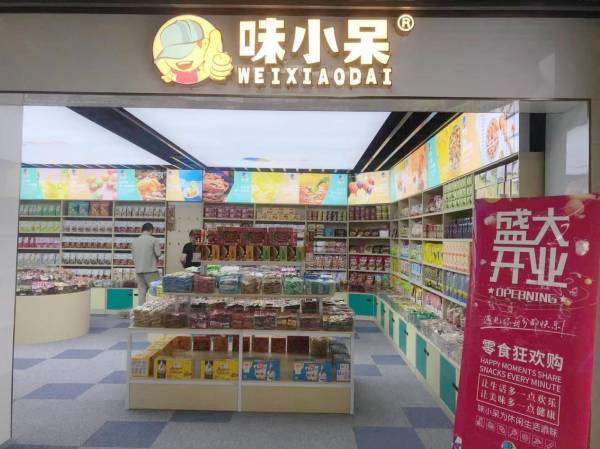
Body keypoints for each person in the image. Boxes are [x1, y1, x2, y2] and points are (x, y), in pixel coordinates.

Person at [131, 222, 161, 305]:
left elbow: (133, 256)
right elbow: (158, 254)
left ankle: (141, 311)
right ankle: (154, 310)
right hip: (151, 271)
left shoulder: (134, 241)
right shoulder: (153, 240)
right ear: (151, 230)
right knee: (155, 293)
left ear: (142, 230)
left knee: (141, 293)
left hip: (139, 271)